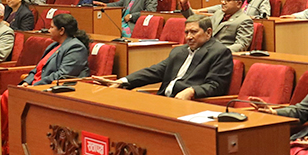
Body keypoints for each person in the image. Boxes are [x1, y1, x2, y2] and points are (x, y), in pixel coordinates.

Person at [0, 13, 91, 155]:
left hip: (52, 89)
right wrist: (27, 82)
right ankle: (3, 146)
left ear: (62, 30)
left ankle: (8, 149)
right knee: (7, 97)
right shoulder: (54, 45)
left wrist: (34, 86)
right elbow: (36, 69)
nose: (48, 30)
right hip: (37, 85)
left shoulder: (75, 47)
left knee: (9, 97)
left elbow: (62, 76)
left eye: (52, 27)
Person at [100, 15, 234, 100]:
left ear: (208, 32)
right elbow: (156, 71)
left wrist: (191, 91)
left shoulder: (219, 52)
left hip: (191, 104)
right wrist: (123, 81)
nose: (189, 37)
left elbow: (215, 86)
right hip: (165, 99)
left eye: (194, 32)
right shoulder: (179, 51)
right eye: (186, 32)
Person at [179, 0, 253, 52]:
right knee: (178, 51)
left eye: (227, 0)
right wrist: (185, 4)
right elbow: (199, 21)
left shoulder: (245, 20)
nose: (223, 2)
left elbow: (241, 45)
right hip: (204, 50)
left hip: (221, 56)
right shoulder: (219, 13)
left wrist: (220, 52)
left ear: (239, 3)